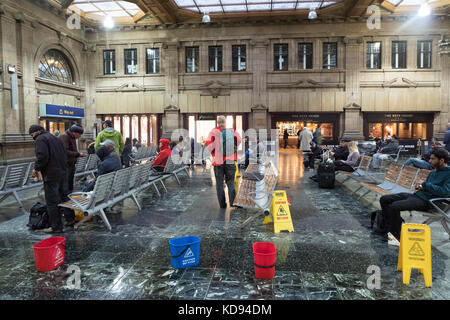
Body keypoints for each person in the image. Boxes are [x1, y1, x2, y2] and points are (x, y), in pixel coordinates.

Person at [377, 147, 450, 241]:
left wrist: (424, 185)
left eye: (432, 159)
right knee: (384, 199)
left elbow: (444, 192)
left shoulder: (448, 173)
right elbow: (427, 187)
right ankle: (391, 227)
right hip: (418, 196)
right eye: (430, 158)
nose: (429, 161)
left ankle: (396, 235)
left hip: (430, 202)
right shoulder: (433, 172)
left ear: (442, 160)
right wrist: (420, 186)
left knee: (393, 206)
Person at [29, 125, 73, 233]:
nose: (32, 137)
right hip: (62, 172)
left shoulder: (40, 139)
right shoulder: (54, 137)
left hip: (51, 174)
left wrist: (36, 168)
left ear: (37, 132)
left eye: (32, 135)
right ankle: (70, 219)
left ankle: (56, 227)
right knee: (65, 197)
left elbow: (42, 156)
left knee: (52, 201)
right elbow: (64, 154)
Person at [206, 115, 242, 208]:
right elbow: (239, 140)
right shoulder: (231, 131)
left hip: (218, 162)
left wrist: (215, 151)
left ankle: (222, 204)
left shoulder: (213, 132)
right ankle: (233, 202)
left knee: (219, 183)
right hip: (230, 160)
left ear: (217, 122)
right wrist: (233, 147)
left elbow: (209, 146)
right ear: (225, 122)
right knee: (230, 181)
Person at [59, 124, 87, 193]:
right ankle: (65, 198)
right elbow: (64, 151)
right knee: (66, 182)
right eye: (79, 134)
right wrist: (78, 154)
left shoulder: (72, 137)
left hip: (71, 163)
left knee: (70, 182)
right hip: (66, 164)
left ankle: (69, 195)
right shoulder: (64, 136)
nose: (80, 136)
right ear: (75, 132)